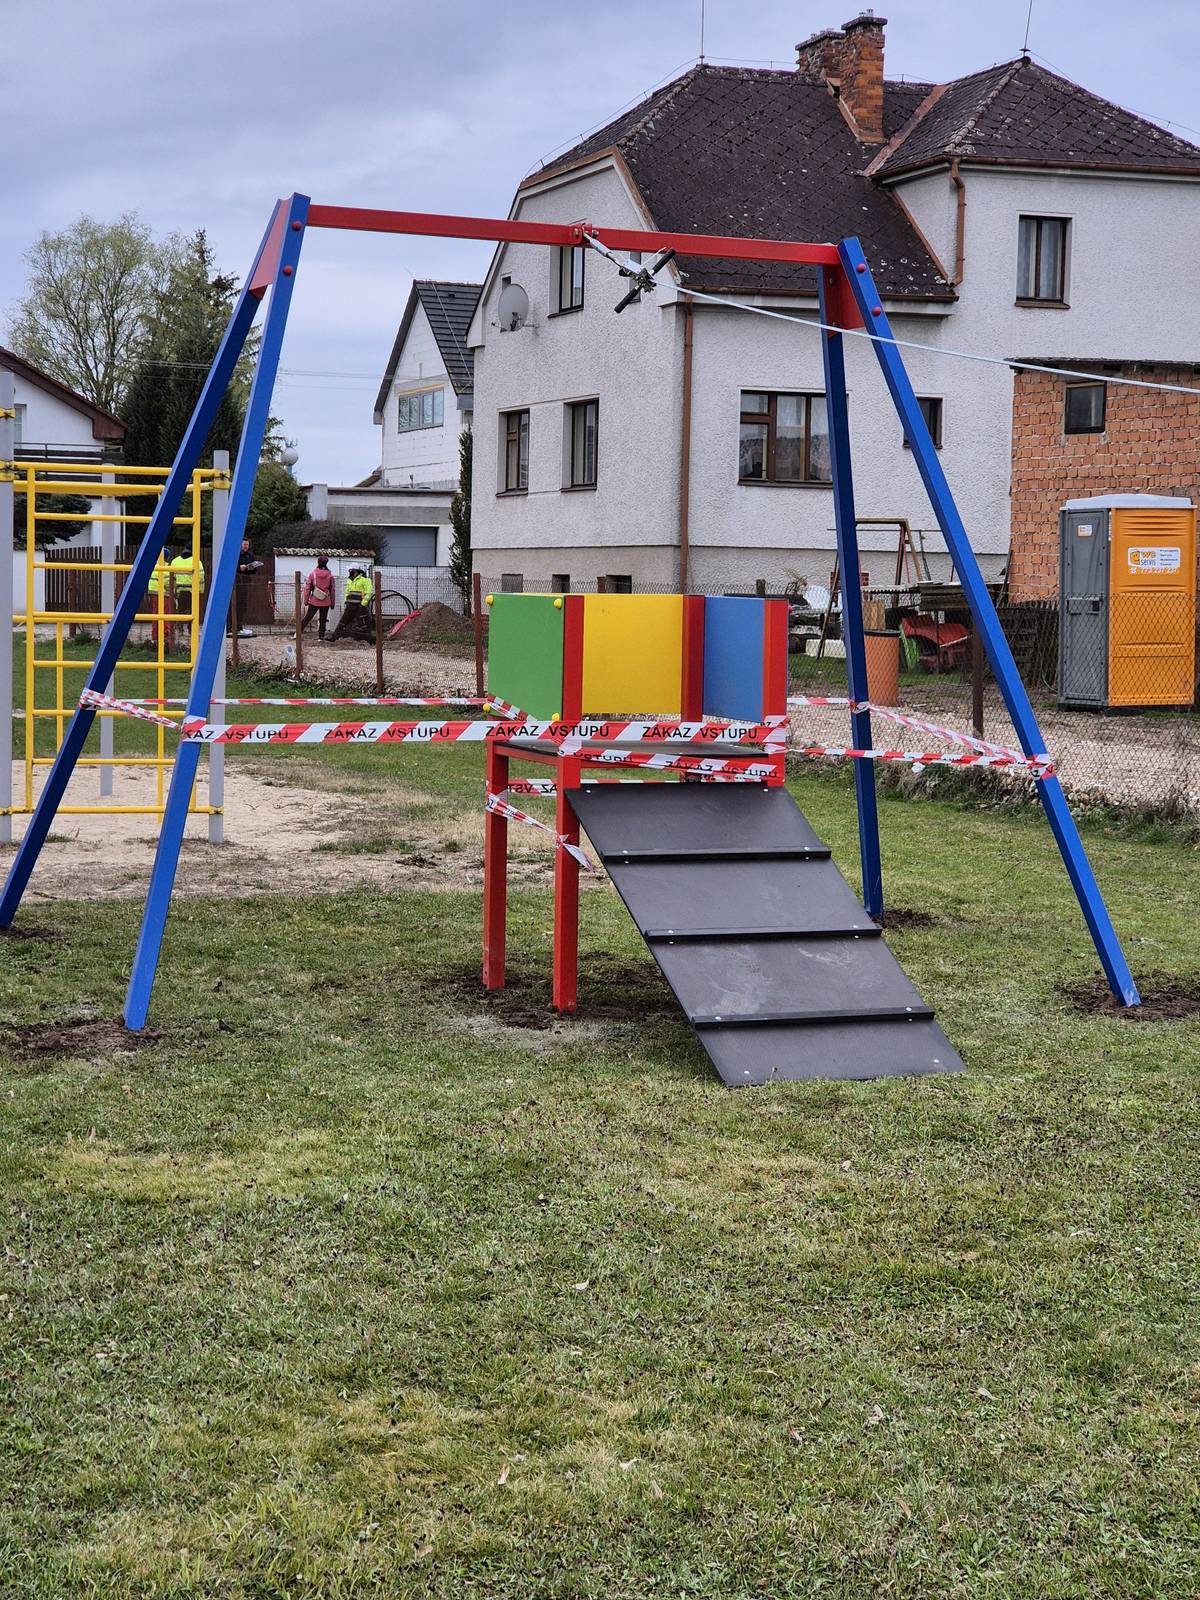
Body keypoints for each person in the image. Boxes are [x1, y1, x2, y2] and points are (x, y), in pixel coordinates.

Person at [329, 566, 375, 642]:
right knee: (343, 621)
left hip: (360, 606)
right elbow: (347, 592)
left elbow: (369, 592)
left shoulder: (365, 580)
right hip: (350, 605)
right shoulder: (350, 580)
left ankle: (370, 640)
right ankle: (334, 637)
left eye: (351, 570)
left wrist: (363, 604)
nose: (349, 571)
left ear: (356, 571)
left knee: (363, 622)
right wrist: (346, 601)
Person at [301, 555, 335, 640]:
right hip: (326, 601)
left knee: (308, 617)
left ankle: (297, 632)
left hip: (314, 600)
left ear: (318, 562)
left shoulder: (313, 574)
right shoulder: (330, 576)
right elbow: (332, 590)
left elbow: (308, 588)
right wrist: (332, 603)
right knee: (323, 619)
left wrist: (305, 600)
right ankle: (321, 637)